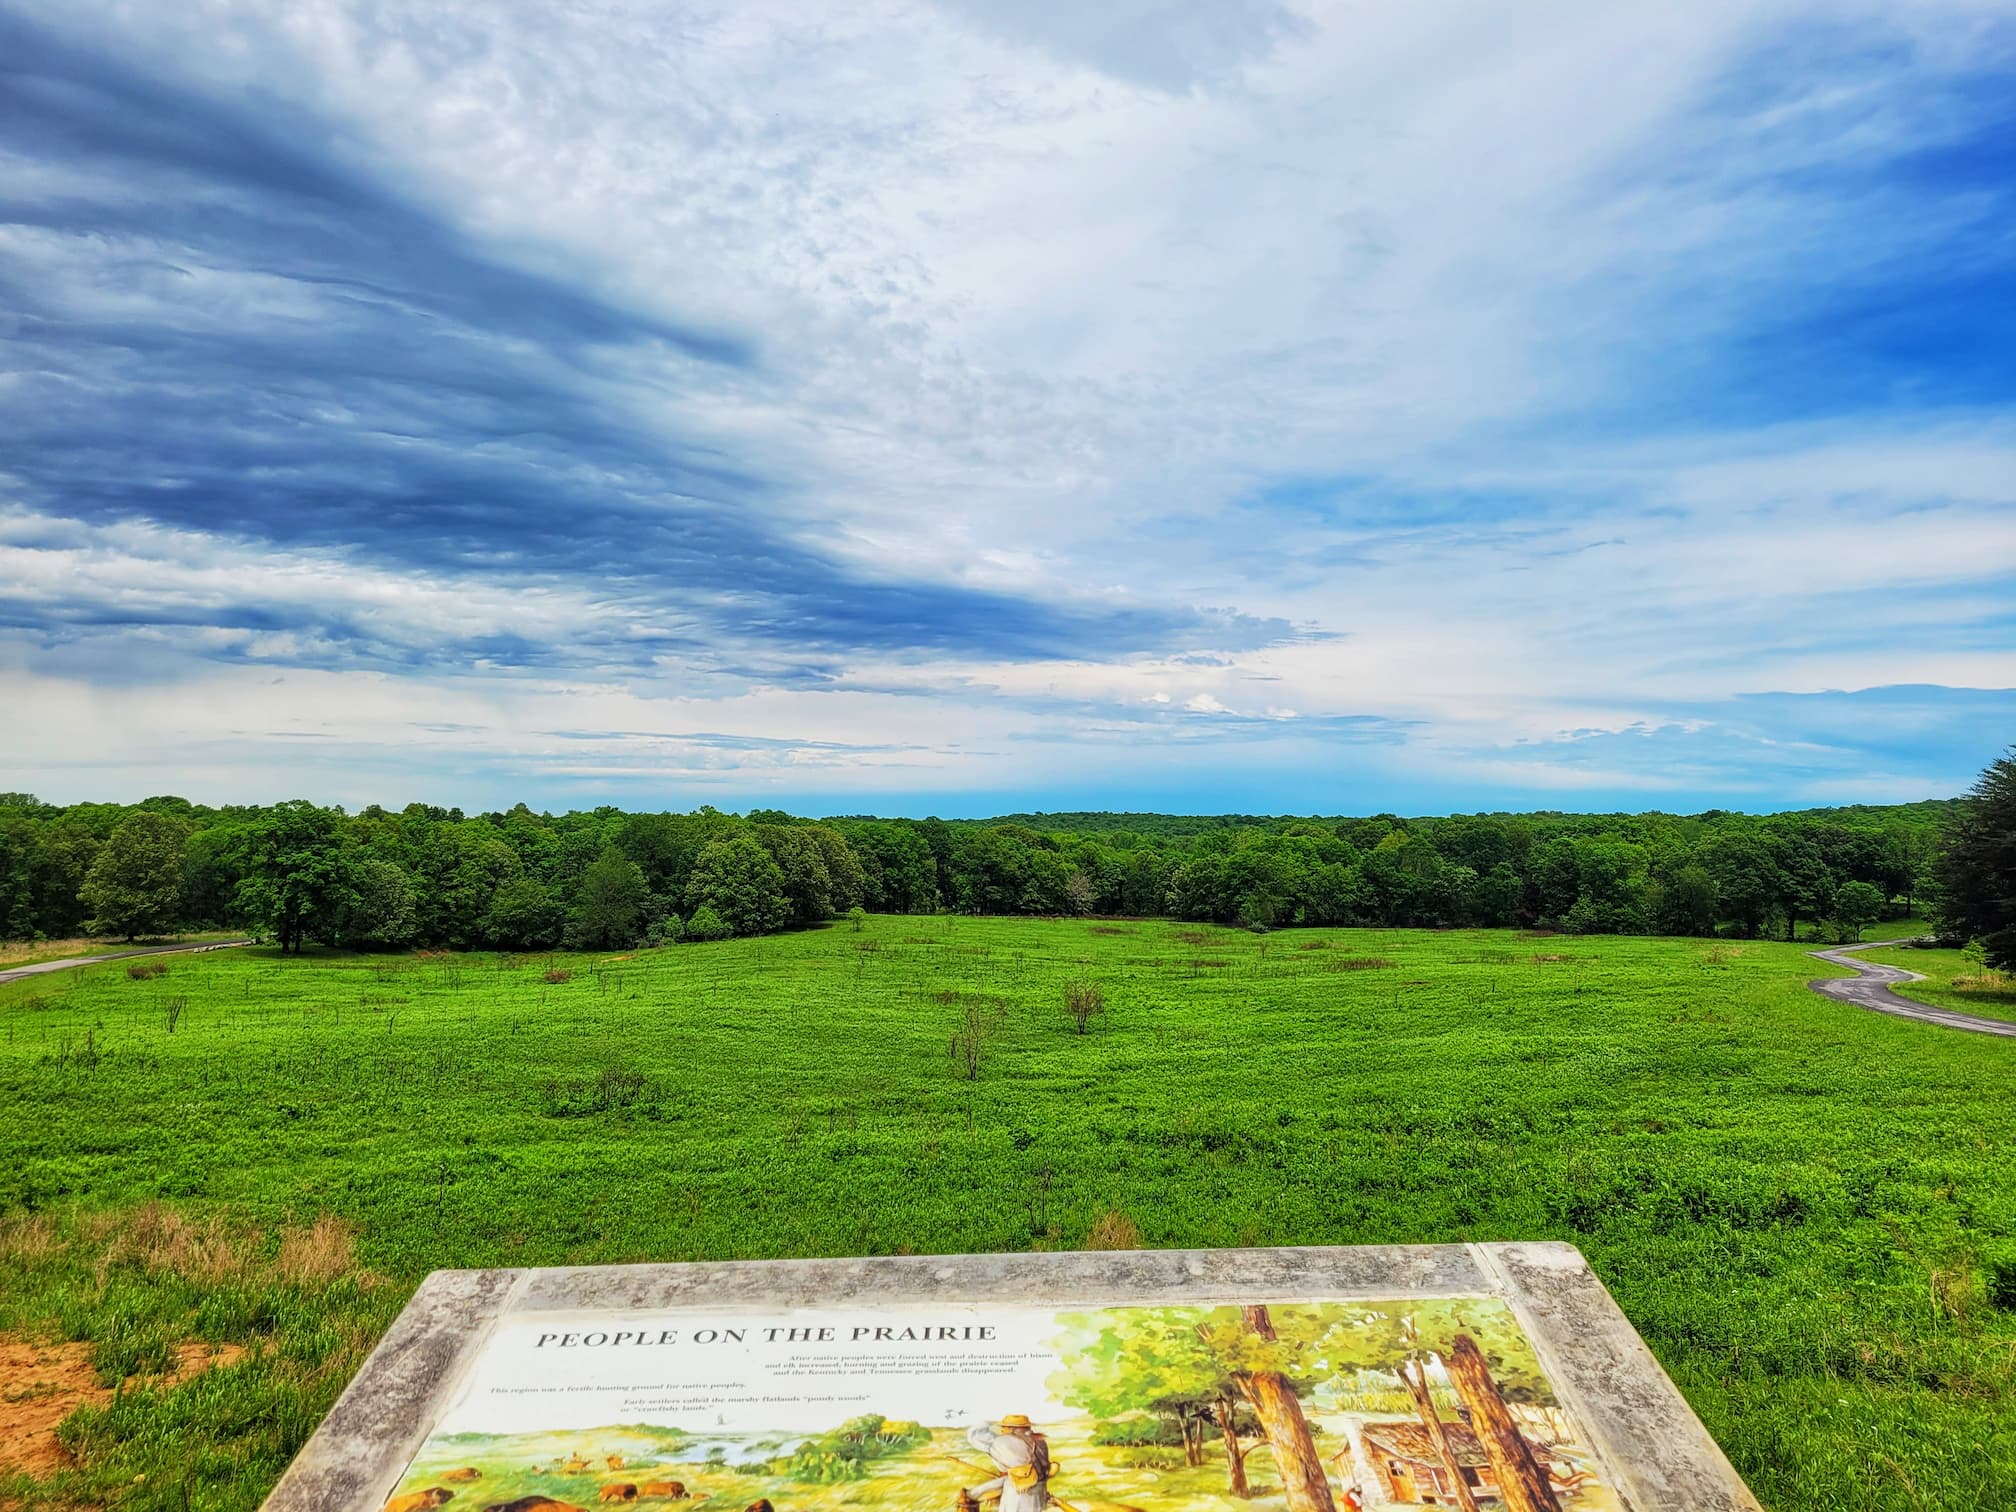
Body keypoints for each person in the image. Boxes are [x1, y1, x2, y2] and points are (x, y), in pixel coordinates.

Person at [963, 1413, 1052, 1511]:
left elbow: (1003, 1468)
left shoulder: (1006, 1441)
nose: (1002, 1430)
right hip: (1039, 1490)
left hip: (1019, 1490)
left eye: (1004, 1427)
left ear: (1012, 1428)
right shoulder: (1040, 1440)